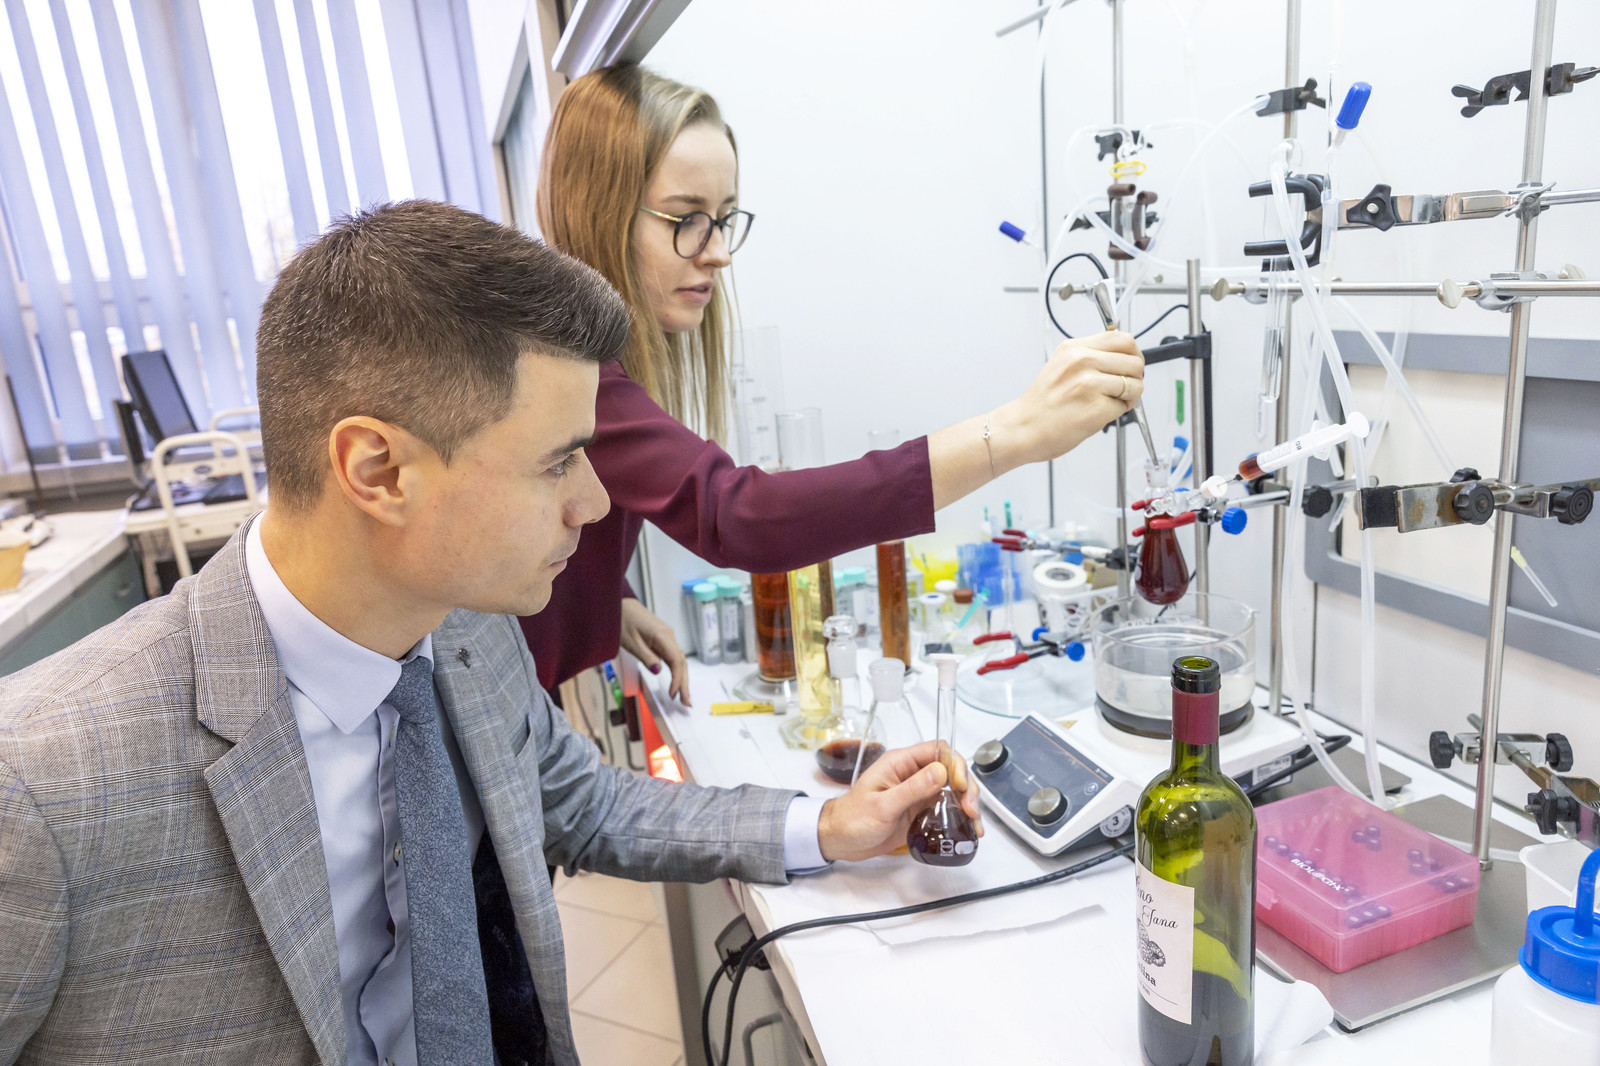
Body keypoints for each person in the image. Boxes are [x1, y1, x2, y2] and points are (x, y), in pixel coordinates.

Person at [0, 201, 980, 1066]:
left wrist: (825, 827)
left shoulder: (463, 625)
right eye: (558, 462)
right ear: (379, 471)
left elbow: (580, 800)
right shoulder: (45, 787)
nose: (595, 502)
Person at [520, 63, 1146, 702]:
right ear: (600, 213)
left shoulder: (580, 355)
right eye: (686, 218)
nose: (719, 252)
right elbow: (739, 515)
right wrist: (1014, 431)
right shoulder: (569, 373)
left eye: (724, 217)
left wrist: (608, 598)